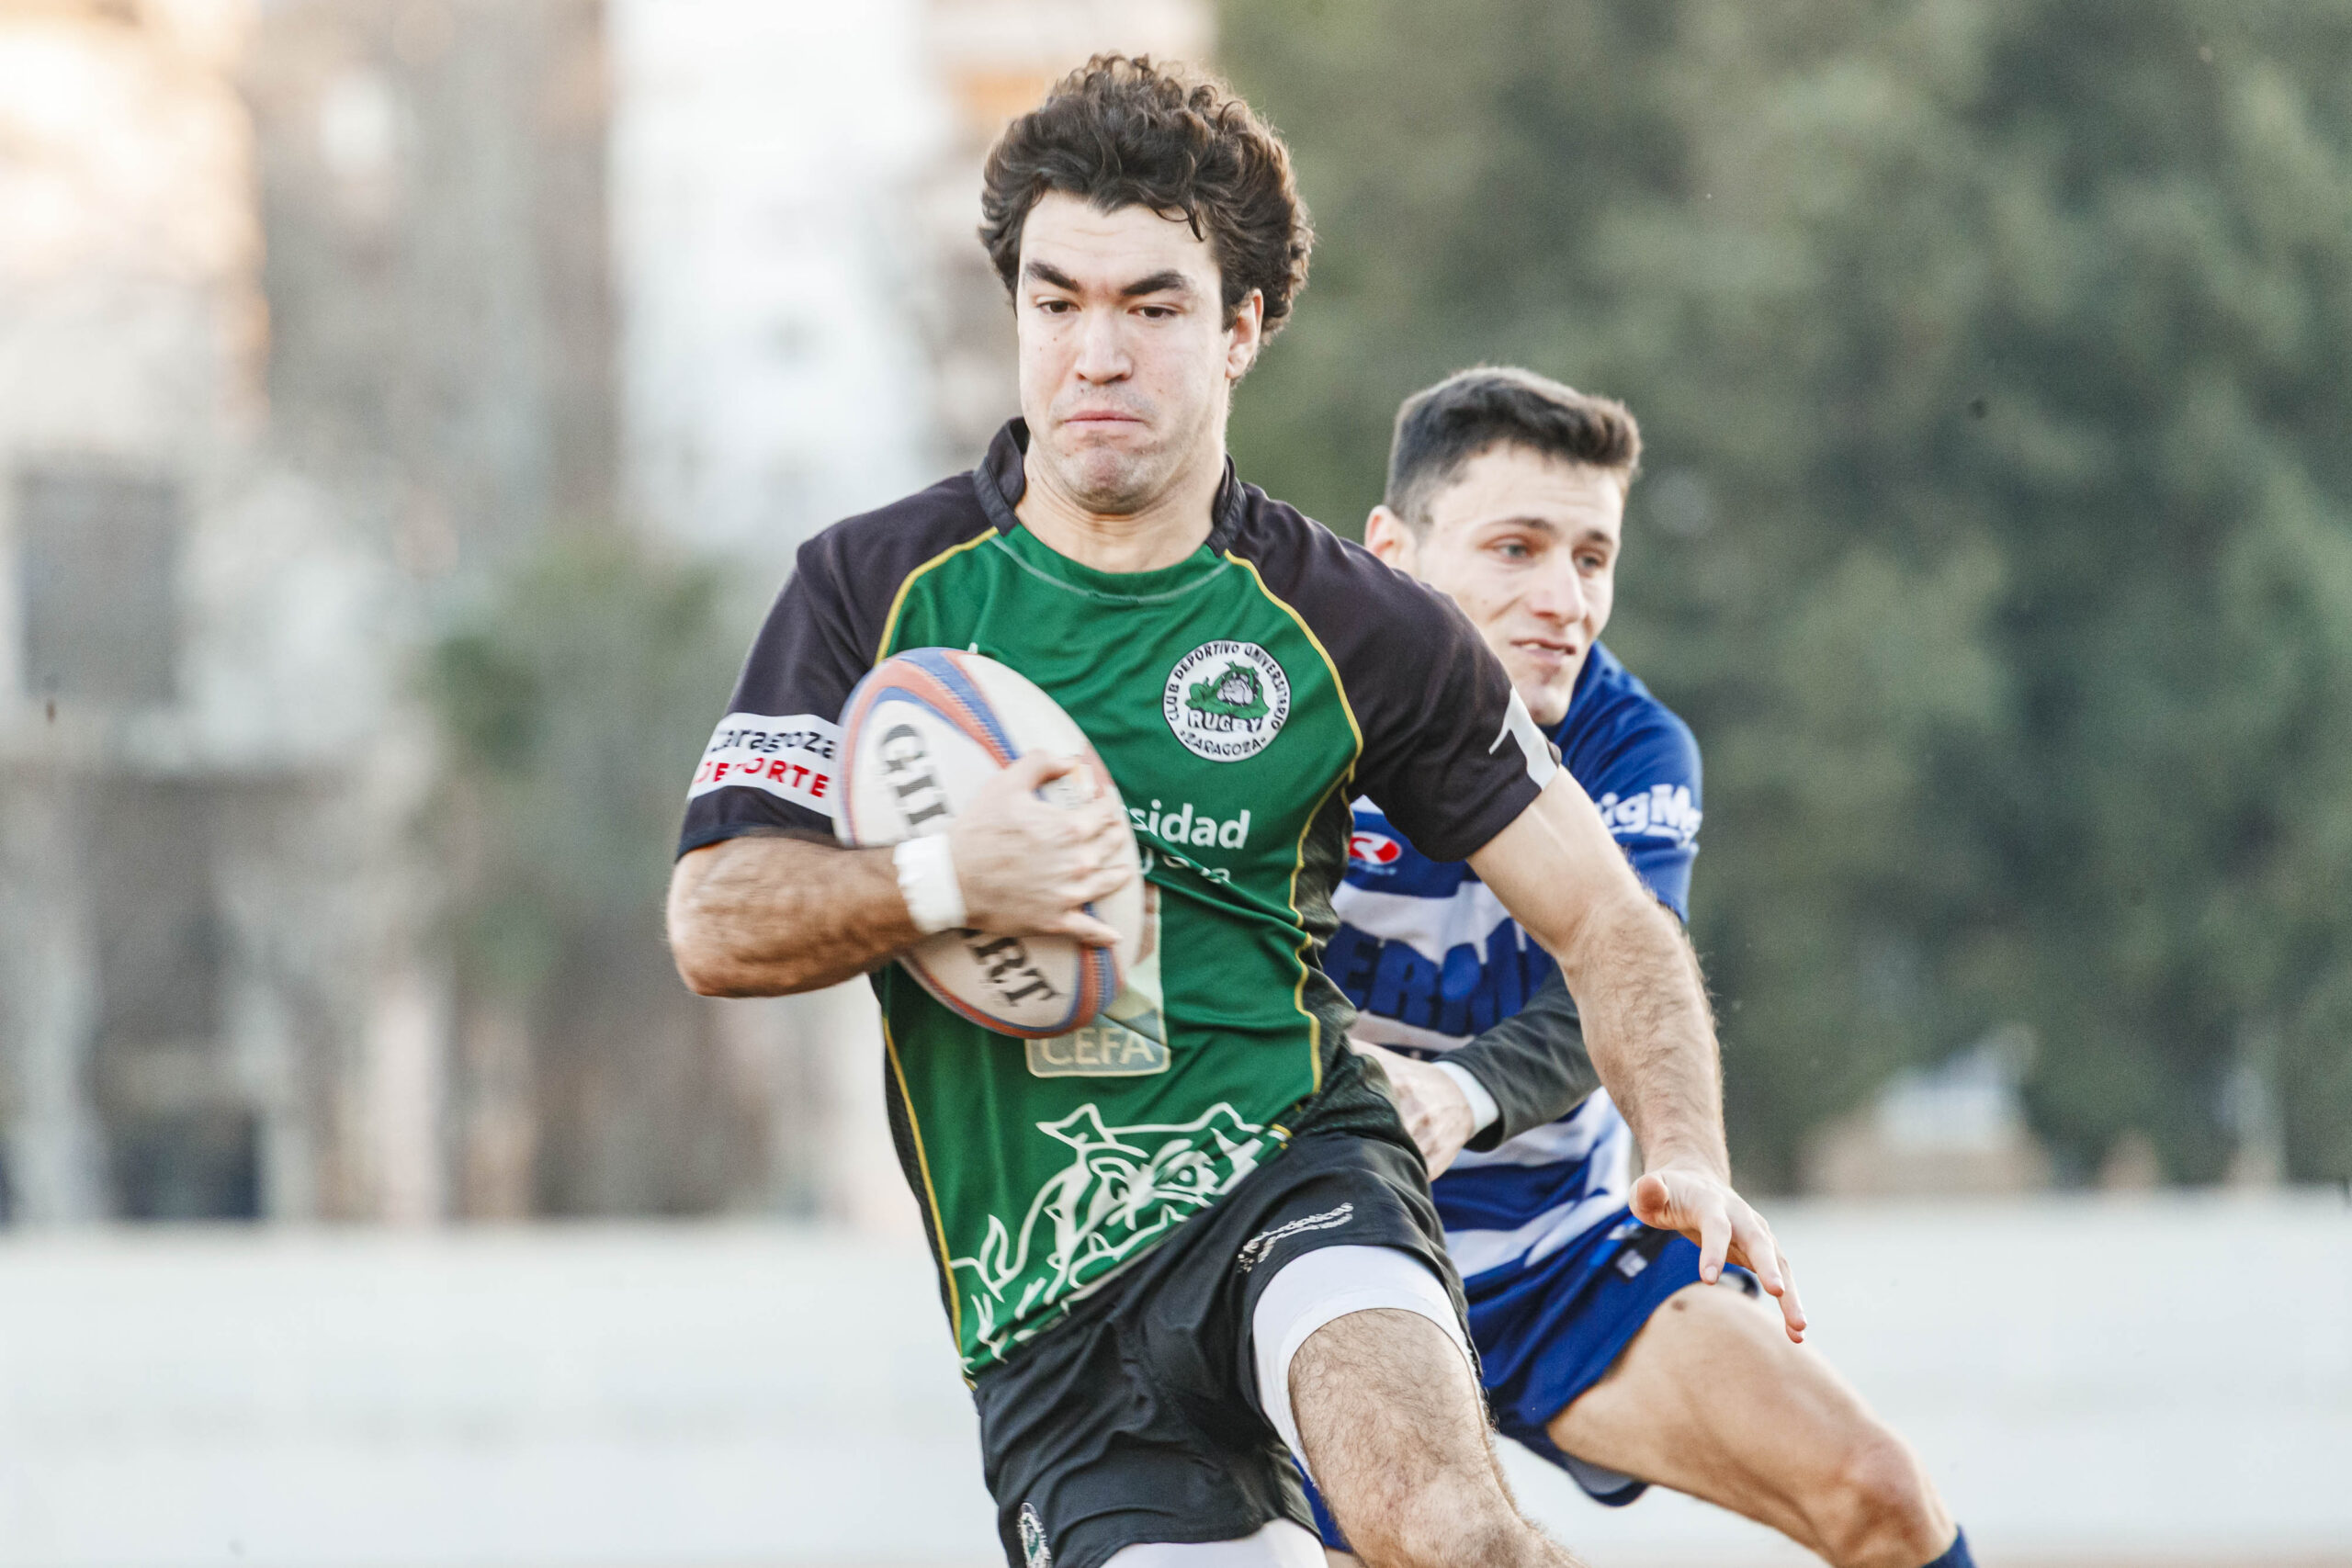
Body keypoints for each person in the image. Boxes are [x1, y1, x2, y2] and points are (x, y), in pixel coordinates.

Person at [666, 58, 1800, 1568]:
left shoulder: (1358, 626)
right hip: (1043, 1301)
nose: (1096, 355)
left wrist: (1693, 1154)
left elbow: (1607, 915)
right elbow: (716, 920)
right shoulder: (875, 589)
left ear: (1243, 329)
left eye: (1152, 306)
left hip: (1291, 1169)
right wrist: (945, 874)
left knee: (1460, 1535)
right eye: (1056, 303)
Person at [1306, 367, 1972, 1568]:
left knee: (1881, 1492)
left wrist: (1458, 1095)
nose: (1565, 598)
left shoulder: (1630, 741)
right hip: (1329, 1263)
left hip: (1565, 1254)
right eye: (1516, 548)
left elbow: (1616, 977)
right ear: (1395, 553)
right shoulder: (1289, 717)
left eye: (1592, 557)